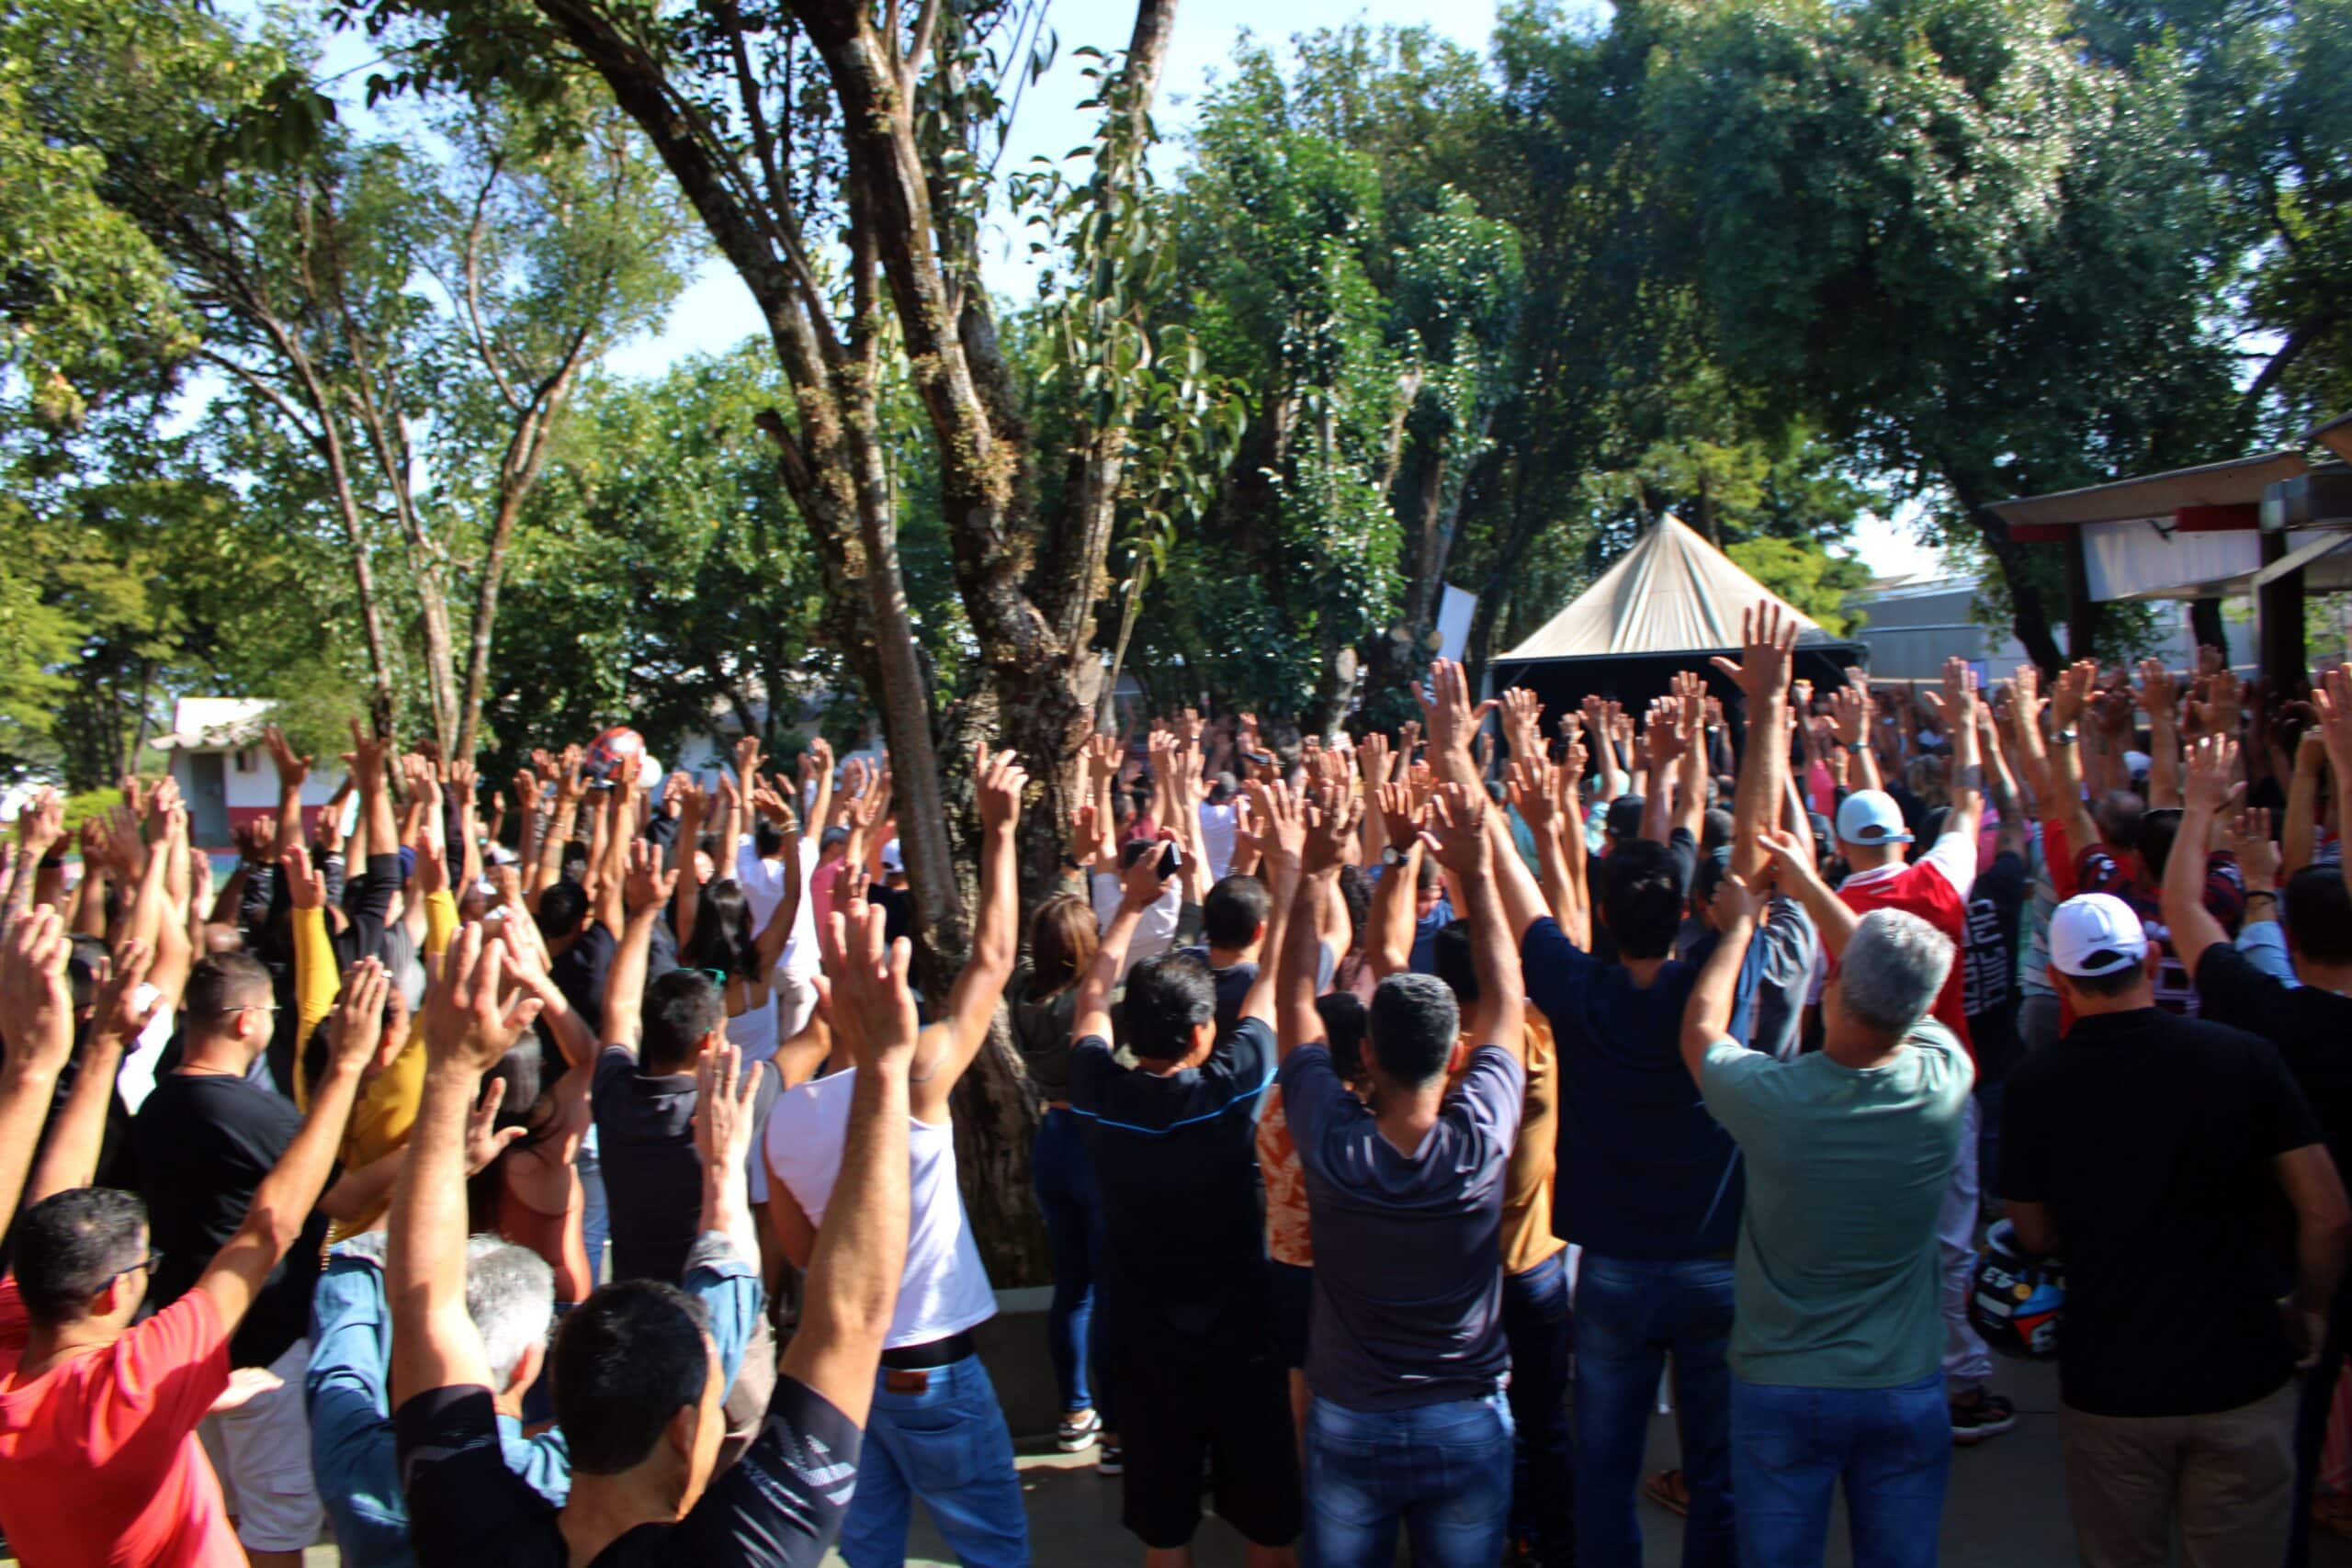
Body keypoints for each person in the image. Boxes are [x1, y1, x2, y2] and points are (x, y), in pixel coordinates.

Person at [390, 912, 916, 1567]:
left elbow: (427, 1311)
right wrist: (886, 1067)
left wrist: (445, 1072)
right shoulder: (743, 1548)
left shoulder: (465, 1523)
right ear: (687, 1426)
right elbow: (850, 1320)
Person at [0, 911, 379, 1567]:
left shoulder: (17, 1353)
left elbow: (53, 1204)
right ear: (109, 1293)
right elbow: (269, 1226)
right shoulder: (135, 1381)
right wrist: (346, 1065)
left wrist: (64, 1062)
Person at [2002, 891, 2352, 1568]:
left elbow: (2034, 1231)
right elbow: (2328, 1210)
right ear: (2152, 957)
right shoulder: (2244, 1057)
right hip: (2244, 1371)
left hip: (2110, 1382)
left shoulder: (2035, 1085)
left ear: (2059, 979)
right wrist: (2309, 1307)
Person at [763, 747, 1031, 1568]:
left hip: (840, 1380)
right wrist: (999, 833)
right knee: (995, 1549)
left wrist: (848, 855)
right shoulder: (917, 1079)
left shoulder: (782, 1121)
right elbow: (991, 962)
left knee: (865, 1548)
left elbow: (805, 1256)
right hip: (931, 1369)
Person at [1684, 837, 1973, 1568]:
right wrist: (1812, 889)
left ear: (1834, 988)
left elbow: (1701, 1032)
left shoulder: (1775, 1100)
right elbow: (1899, 987)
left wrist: (1743, 926)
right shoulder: (1945, 1076)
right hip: (1904, 1384)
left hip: (1782, 1386)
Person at [1276, 773, 1526, 1568]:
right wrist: (1477, 874)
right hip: (1465, 1418)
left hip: (1350, 1416)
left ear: (1369, 1055)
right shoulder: (1482, 1133)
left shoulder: (1331, 1140)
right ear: (1456, 1056)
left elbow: (1292, 1003)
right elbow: (1509, 1000)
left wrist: (1314, 874)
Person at [1070, 811, 1304, 1566]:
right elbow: (1275, 980)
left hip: (1145, 1345)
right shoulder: (1234, 1087)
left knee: (1164, 1533)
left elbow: (1088, 1002)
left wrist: (1130, 905)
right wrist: (1298, 876)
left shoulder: (1101, 1096)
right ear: (1205, 1032)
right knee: (1270, 1526)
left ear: (1131, 1032)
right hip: (1245, 1338)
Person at [132, 949, 413, 1564]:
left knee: (218, 1517)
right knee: (277, 1530)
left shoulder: (157, 1102)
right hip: (263, 1353)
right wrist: (435, 1144)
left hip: (188, 1346)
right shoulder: (244, 1109)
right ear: (246, 1021)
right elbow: (336, 1193)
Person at [2164, 725, 2352, 1568]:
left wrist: (2199, 813)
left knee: (2298, 1436)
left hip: (2287, 1263)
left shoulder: (2264, 1012)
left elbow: (2182, 911)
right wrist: (2340, 765)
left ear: (2297, 943)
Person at [1832, 657, 2007, 1445]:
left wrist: (1858, 745)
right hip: (1946, 1088)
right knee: (1950, 1240)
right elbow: (1969, 804)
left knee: (1873, 1241)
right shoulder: (1940, 882)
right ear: (1907, 832)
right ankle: (1962, 1382)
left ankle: (1886, 1366)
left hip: (1860, 1092)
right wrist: (1968, 720)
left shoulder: (1830, 906)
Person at [1006, 892, 1110, 1457]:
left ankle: (1075, 1407)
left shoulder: (1023, 996)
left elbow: (1024, 951)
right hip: (1094, 1144)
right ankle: (1114, 1414)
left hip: (1052, 1141)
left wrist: (1071, 874)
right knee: (1108, 1284)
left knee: (1071, 1288)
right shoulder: (1085, 1007)